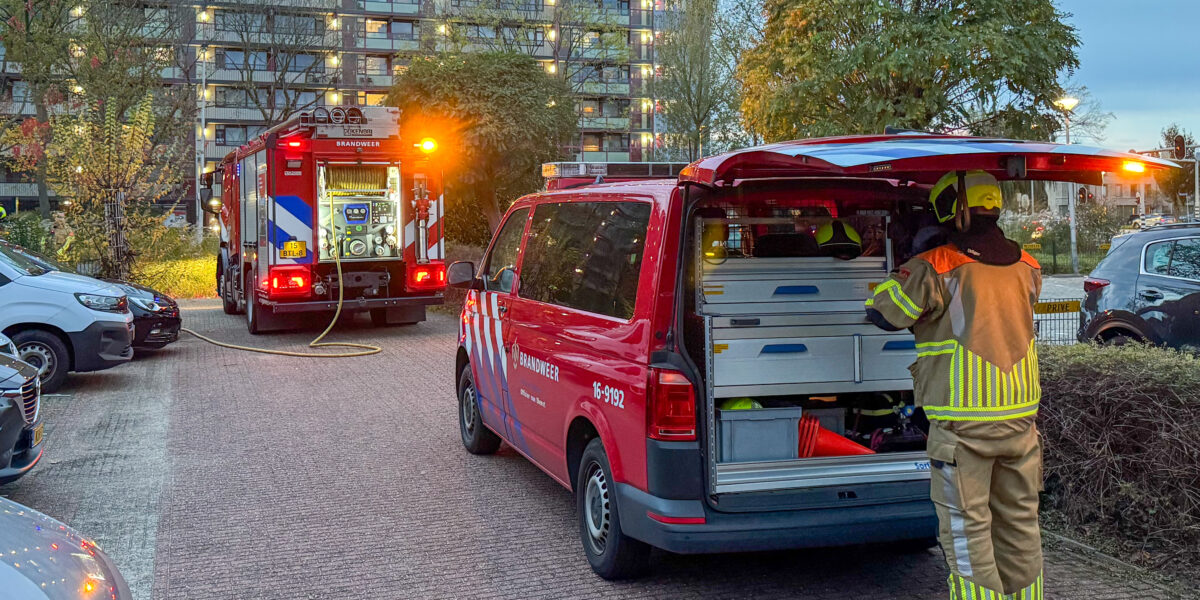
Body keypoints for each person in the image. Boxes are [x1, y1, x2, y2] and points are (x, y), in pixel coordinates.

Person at [864, 170, 1044, 600]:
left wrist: (911, 257)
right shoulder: (1029, 265)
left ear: (948, 209)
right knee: (1020, 522)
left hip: (962, 423)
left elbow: (884, 312)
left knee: (967, 527)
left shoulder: (935, 265)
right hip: (1020, 420)